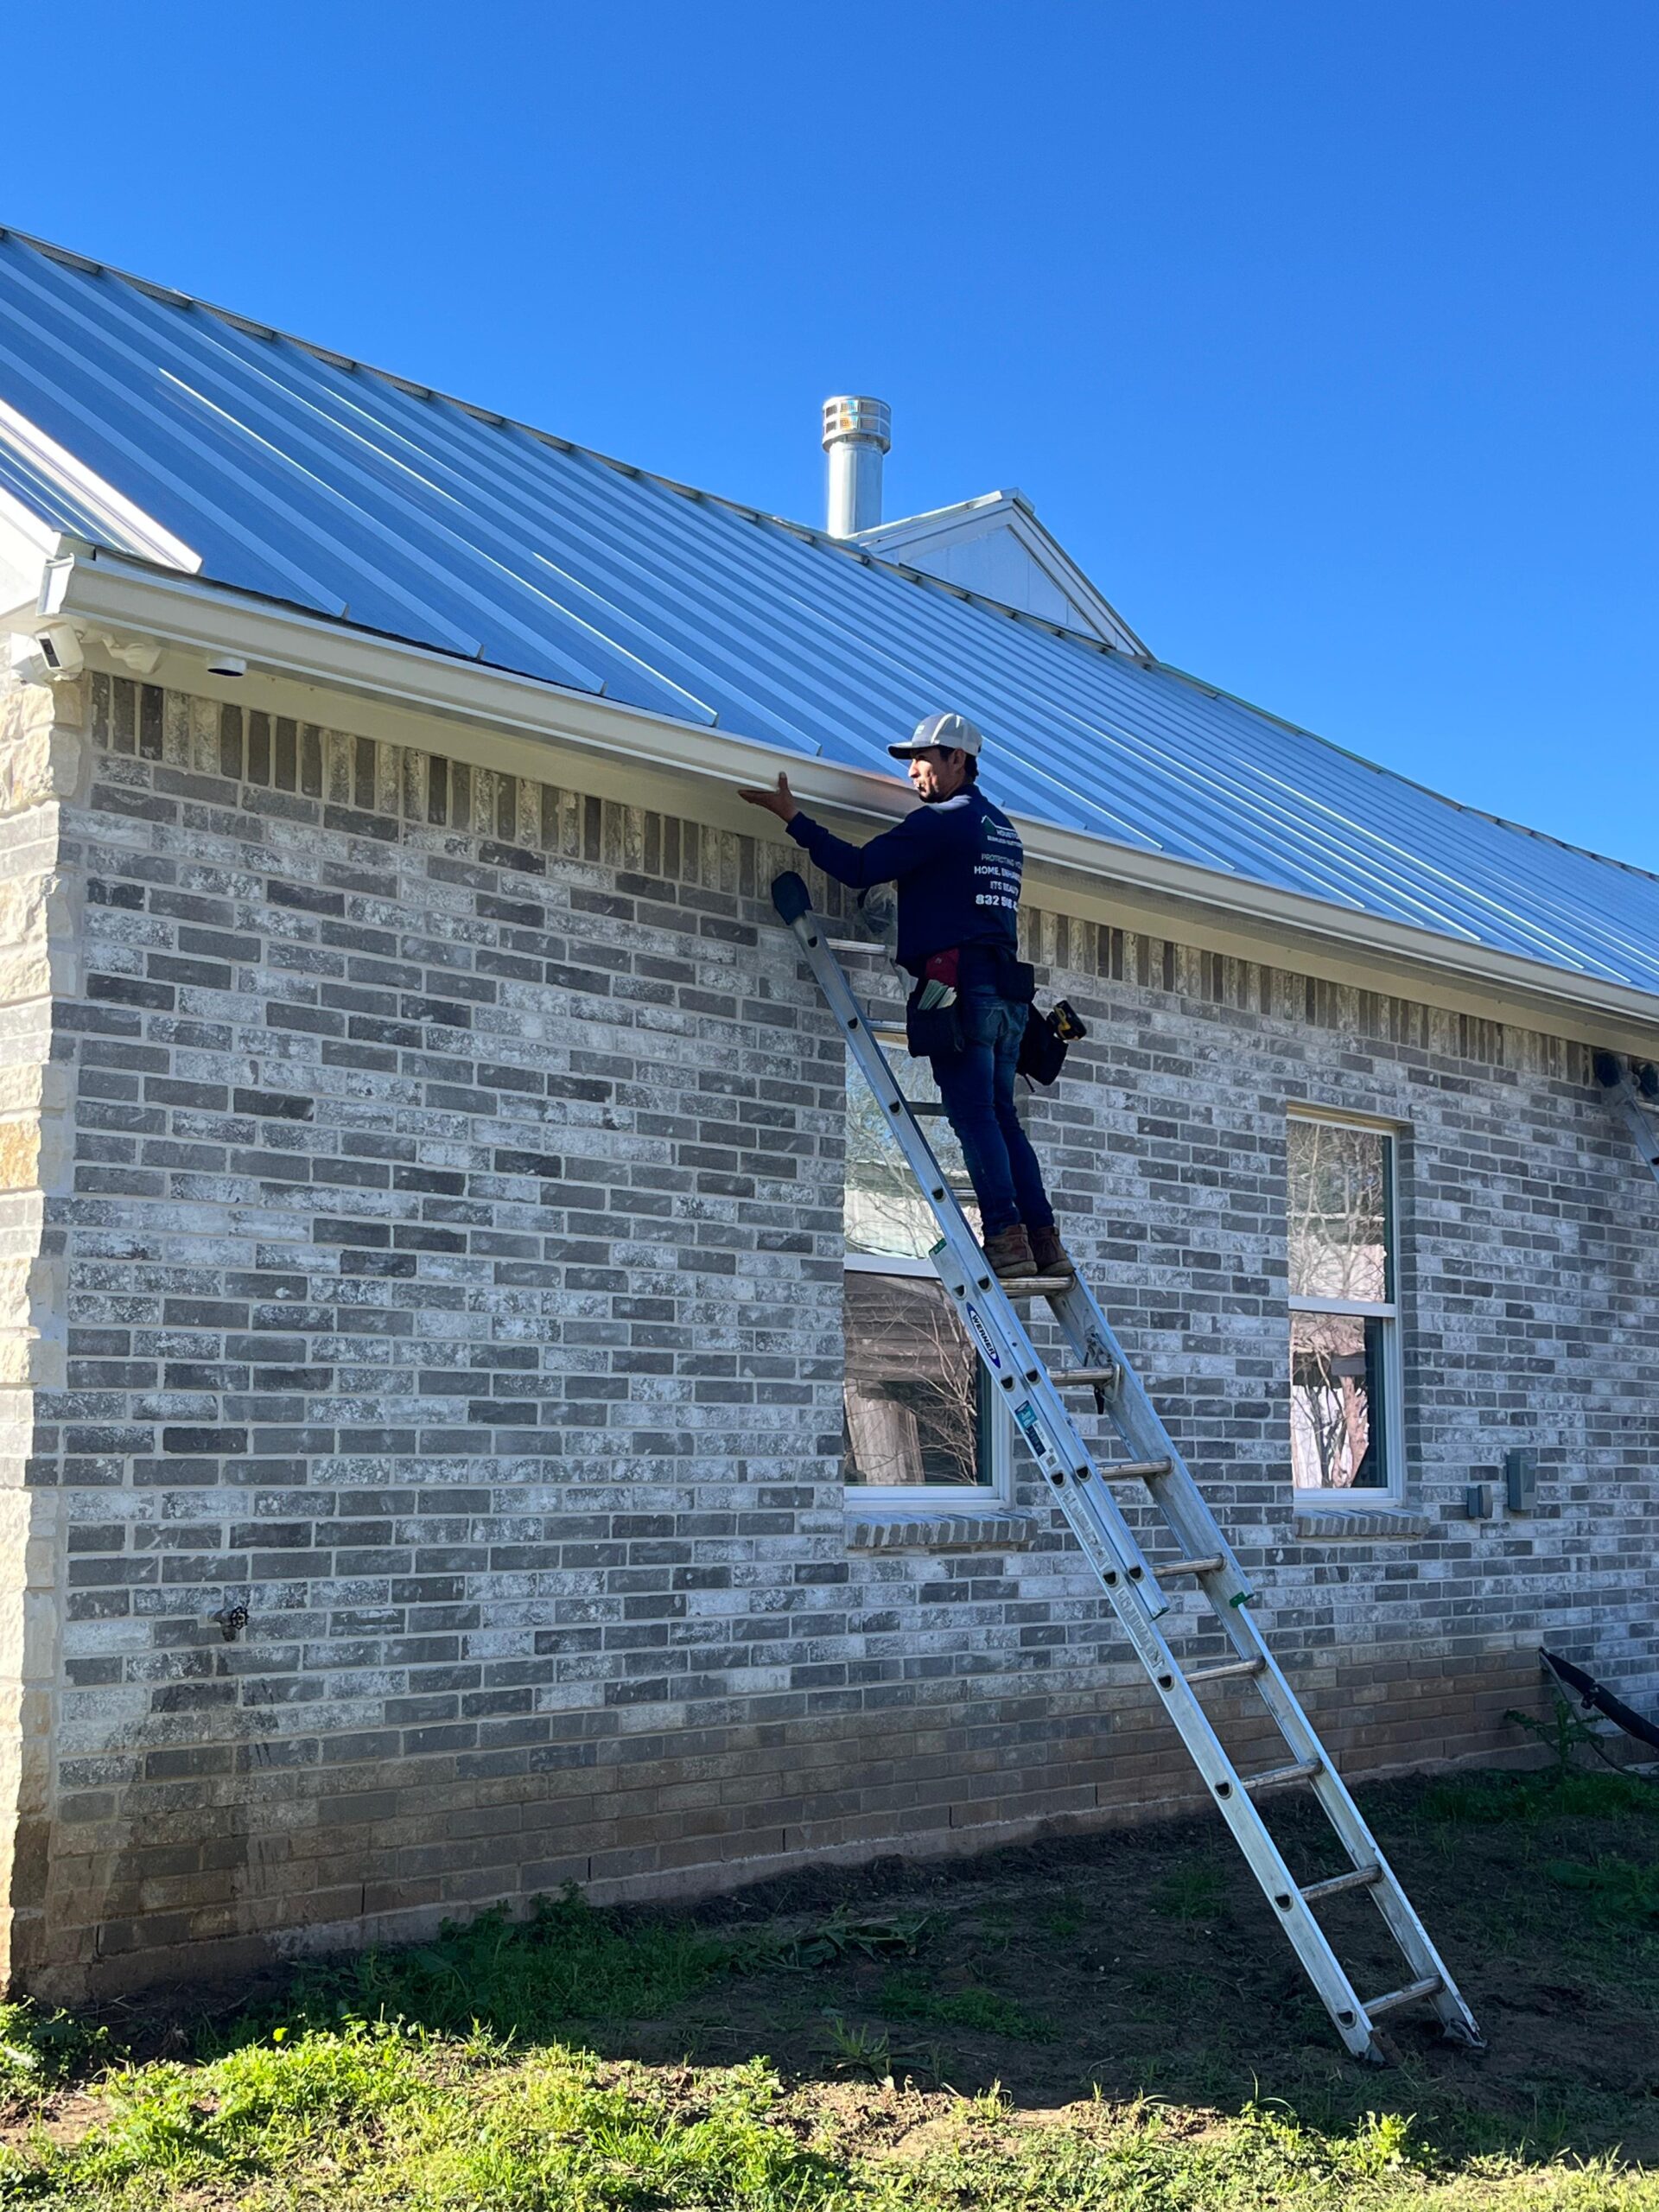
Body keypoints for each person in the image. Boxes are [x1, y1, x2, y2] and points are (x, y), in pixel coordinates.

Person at [740, 711, 1072, 1283]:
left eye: (923, 758)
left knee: (975, 1117)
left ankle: (1005, 1237)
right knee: (1003, 1117)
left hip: (963, 990)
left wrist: (793, 817)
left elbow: (859, 868)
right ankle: (1044, 1240)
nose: (913, 770)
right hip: (1007, 995)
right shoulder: (1002, 830)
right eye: (910, 761)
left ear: (958, 760)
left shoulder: (943, 822)